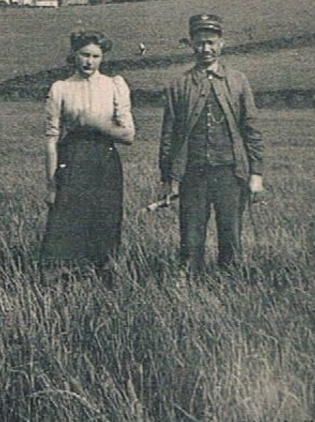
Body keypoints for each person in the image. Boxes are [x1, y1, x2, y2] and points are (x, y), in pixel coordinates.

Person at [157, 14, 263, 271]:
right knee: (191, 236)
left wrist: (256, 173)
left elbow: (252, 128)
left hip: (230, 172)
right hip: (193, 174)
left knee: (231, 234)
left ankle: (229, 284)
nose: (206, 49)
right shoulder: (179, 84)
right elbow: (168, 135)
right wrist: (167, 178)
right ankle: (190, 285)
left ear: (222, 44)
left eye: (211, 42)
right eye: (200, 42)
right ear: (191, 44)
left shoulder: (238, 81)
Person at [40, 30, 135, 277]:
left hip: (105, 160)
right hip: (71, 159)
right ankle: (61, 278)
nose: (89, 61)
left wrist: (95, 123)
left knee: (105, 218)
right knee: (66, 219)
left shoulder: (114, 85)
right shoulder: (61, 88)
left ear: (102, 58)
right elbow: (51, 139)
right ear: (74, 55)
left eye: (95, 56)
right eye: (84, 55)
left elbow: (128, 135)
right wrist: (51, 185)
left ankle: (103, 275)